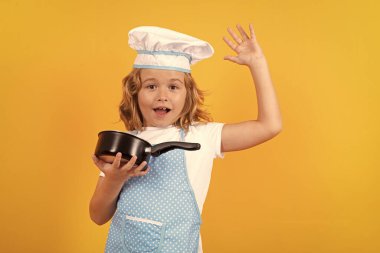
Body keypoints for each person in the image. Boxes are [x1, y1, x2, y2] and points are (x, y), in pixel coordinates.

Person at [90, 24, 282, 253]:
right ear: (135, 93)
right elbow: (98, 216)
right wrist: (114, 179)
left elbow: (269, 126)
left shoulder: (202, 136)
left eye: (173, 87)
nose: (162, 96)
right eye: (151, 86)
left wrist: (257, 64)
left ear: (188, 94)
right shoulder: (125, 144)